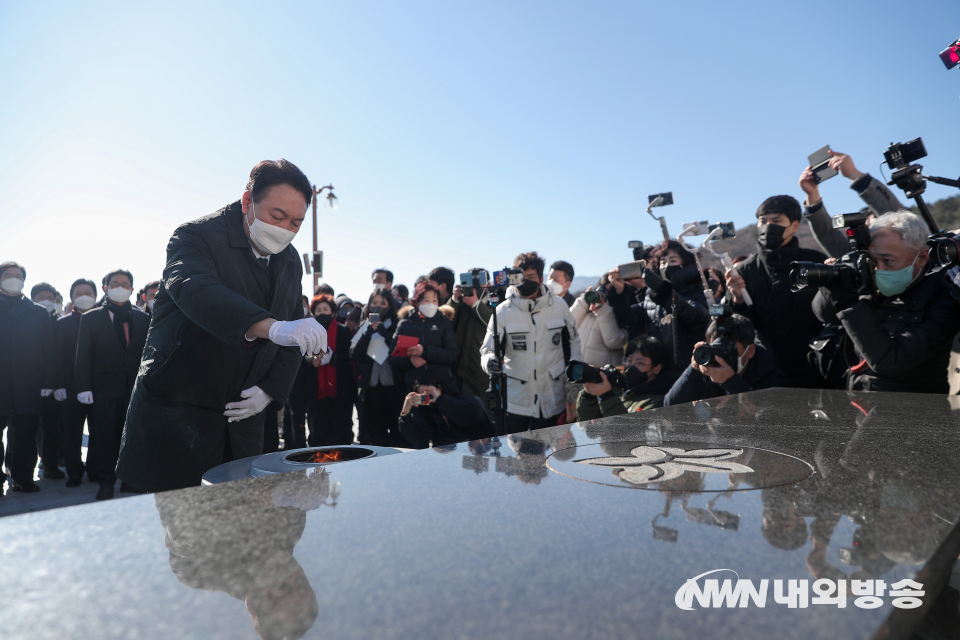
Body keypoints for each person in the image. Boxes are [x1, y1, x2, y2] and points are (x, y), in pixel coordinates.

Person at [117, 159, 326, 493]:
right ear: (247, 202)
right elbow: (198, 291)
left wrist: (271, 389)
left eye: (296, 222)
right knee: (187, 535)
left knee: (239, 525)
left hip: (243, 417)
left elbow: (291, 333)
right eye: (276, 216)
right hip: (179, 412)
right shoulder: (195, 236)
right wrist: (271, 327)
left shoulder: (288, 261)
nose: (285, 228)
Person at [812, 211, 960, 393]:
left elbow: (890, 361)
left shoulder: (944, 301)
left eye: (887, 260)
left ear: (922, 257)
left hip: (913, 412)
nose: (878, 269)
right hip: (860, 402)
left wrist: (850, 305)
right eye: (873, 260)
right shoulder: (870, 282)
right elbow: (824, 315)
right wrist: (831, 287)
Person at [725, 195, 826, 388]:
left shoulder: (815, 263)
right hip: (766, 374)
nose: (767, 227)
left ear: (794, 226)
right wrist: (737, 300)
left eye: (777, 221)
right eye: (763, 221)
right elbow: (739, 328)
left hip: (815, 370)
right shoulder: (744, 271)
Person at [480, 251, 582, 431]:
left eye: (530, 277)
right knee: (517, 455)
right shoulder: (503, 311)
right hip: (516, 401)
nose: (524, 281)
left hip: (553, 399)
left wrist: (572, 390)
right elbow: (487, 350)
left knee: (552, 455)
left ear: (541, 279)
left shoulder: (559, 306)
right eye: (520, 276)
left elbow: (573, 345)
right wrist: (490, 362)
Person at [75, 269, 150, 500]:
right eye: (115, 284)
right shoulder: (91, 318)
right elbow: (83, 356)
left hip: (135, 390)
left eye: (125, 284)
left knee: (132, 437)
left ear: (131, 289)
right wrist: (84, 387)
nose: (120, 288)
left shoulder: (143, 318)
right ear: (105, 288)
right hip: (104, 388)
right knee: (105, 437)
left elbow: (148, 355)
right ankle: (106, 482)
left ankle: (129, 480)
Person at [606, 240, 709, 368]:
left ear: (687, 264)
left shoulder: (698, 292)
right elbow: (628, 319)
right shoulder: (651, 295)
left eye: (672, 261)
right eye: (663, 262)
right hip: (656, 368)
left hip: (688, 366)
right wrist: (620, 292)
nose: (666, 266)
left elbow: (692, 316)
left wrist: (663, 292)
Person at [0, 261, 55, 493]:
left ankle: (23, 478)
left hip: (28, 385)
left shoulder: (38, 312)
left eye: (18, 275)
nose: (14, 279)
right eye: (8, 275)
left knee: (24, 436)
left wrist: (48, 382)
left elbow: (48, 350)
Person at [799, 150, 905, 259]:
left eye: (874, 222)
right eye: (865, 223)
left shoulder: (905, 242)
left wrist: (853, 173)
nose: (868, 226)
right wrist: (812, 194)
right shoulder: (858, 256)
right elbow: (827, 235)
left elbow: (899, 220)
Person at [663, 313, 788, 405]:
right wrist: (694, 369)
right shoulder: (707, 369)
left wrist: (731, 382)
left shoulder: (771, 379)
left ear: (750, 351)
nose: (720, 355)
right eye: (715, 347)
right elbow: (669, 406)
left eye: (728, 348)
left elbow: (765, 423)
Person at [54, 278, 99, 486]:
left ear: (96, 296)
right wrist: (59, 385)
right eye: (79, 293)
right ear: (72, 298)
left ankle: (95, 469)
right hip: (71, 388)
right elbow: (56, 357)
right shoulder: (62, 324)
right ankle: (74, 471)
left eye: (88, 292)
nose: (84, 296)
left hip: (99, 386)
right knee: (72, 433)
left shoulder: (104, 321)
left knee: (99, 432)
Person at [576, 336, 680, 418]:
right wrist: (588, 395)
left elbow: (628, 434)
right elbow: (587, 428)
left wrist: (607, 396)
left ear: (657, 368)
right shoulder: (618, 390)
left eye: (639, 362)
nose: (632, 367)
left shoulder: (657, 402)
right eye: (630, 361)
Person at [389, 280, 459, 404]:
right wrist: (410, 359)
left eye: (434, 300)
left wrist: (425, 351)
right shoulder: (405, 324)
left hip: (441, 384)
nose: (431, 304)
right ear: (417, 302)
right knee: (416, 420)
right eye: (426, 300)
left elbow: (452, 354)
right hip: (414, 385)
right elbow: (393, 356)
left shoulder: (444, 323)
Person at [351, 289, 404, 446]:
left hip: (393, 387)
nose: (378, 307)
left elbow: (401, 351)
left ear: (390, 306)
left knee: (397, 430)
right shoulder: (364, 326)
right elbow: (355, 355)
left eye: (383, 303)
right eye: (374, 303)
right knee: (376, 431)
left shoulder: (397, 324)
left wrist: (385, 334)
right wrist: (367, 334)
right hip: (372, 388)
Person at [305, 294, 357, 446]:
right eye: (318, 310)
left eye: (325, 309)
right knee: (320, 429)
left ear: (333, 312)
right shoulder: (309, 333)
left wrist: (333, 358)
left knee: (342, 428)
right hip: (317, 390)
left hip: (340, 389)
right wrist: (311, 361)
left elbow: (350, 355)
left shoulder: (343, 331)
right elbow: (302, 356)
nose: (322, 313)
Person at [398, 375, 493, 447]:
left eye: (428, 392)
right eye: (421, 395)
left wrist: (439, 399)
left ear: (439, 387)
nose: (426, 396)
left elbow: (471, 414)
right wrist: (405, 412)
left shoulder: (462, 395)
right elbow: (416, 436)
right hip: (449, 455)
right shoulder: (427, 411)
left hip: (476, 448)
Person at [30, 282, 64, 478]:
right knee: (23, 430)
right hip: (28, 385)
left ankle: (50, 465)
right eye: (41, 298)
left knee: (52, 429)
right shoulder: (25, 322)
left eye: (51, 299)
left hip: (55, 386)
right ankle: (16, 468)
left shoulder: (60, 322)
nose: (47, 302)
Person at [446, 268, 494, 401]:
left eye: (479, 283)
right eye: (471, 283)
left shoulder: (495, 303)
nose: (475, 287)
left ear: (488, 286)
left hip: (481, 375)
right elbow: (445, 324)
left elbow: (495, 324)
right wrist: (454, 300)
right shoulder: (461, 305)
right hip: (459, 374)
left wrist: (476, 305)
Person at [570, 274, 628, 368]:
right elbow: (567, 325)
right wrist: (584, 301)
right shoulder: (586, 312)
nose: (606, 296)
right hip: (576, 371)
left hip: (600, 375)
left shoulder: (621, 315)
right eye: (604, 291)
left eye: (612, 292)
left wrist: (603, 310)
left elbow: (613, 342)